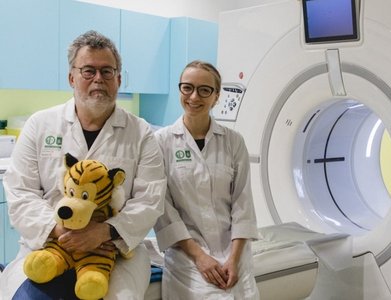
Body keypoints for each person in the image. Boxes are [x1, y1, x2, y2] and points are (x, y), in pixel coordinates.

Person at [0, 30, 166, 300]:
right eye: (88, 71)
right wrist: (61, 231)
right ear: (71, 77)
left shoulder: (140, 132)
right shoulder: (40, 125)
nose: (98, 79)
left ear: (119, 79)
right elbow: (21, 191)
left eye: (107, 71)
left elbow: (150, 199)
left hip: (114, 251)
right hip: (50, 245)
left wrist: (103, 232)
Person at [154, 60, 260, 299]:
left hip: (234, 251)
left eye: (204, 90)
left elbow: (243, 205)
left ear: (216, 96)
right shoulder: (161, 142)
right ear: (180, 90)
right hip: (187, 253)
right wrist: (200, 257)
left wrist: (233, 260)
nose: (194, 96)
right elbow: (164, 209)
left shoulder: (233, 142)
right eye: (187, 87)